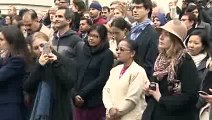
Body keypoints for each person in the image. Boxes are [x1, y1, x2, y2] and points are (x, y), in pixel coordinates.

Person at [142, 20, 200, 120]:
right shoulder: (160, 59)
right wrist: (149, 92)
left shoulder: (185, 61)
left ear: (175, 40)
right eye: (161, 33)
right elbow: (156, 90)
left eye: (167, 35)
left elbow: (191, 96)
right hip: (154, 113)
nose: (161, 37)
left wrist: (161, 99)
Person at [24, 32, 76, 120]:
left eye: (42, 45)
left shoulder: (63, 60)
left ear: (49, 43)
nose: (40, 50)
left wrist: (56, 64)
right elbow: (27, 87)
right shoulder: (33, 64)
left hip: (60, 110)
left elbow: (69, 84)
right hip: (39, 108)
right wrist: (39, 66)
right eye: (36, 48)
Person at [72, 25, 114, 120]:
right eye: (90, 35)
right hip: (78, 100)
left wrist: (82, 94)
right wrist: (75, 94)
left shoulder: (107, 54)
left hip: (94, 101)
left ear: (102, 38)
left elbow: (102, 78)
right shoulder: (83, 50)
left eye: (96, 36)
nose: (91, 38)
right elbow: (76, 71)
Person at [103, 40, 149, 120]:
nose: (118, 52)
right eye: (117, 49)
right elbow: (106, 90)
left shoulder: (138, 71)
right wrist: (110, 108)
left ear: (132, 53)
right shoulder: (115, 70)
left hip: (130, 117)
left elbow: (132, 98)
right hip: (111, 115)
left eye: (122, 49)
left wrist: (117, 112)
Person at [0, 25, 32, 120]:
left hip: (9, 106)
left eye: (1, 40)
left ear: (11, 42)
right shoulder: (7, 58)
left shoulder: (17, 60)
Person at [130, 0, 159, 79]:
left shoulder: (152, 33)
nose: (135, 10)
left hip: (141, 77)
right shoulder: (131, 29)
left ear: (147, 10)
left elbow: (150, 62)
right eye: (133, 8)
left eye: (139, 7)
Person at [187, 29, 211, 120]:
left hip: (195, 109)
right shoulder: (181, 59)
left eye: (196, 43)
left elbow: (205, 89)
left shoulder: (208, 64)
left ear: (203, 46)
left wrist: (194, 107)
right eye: (190, 42)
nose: (191, 45)